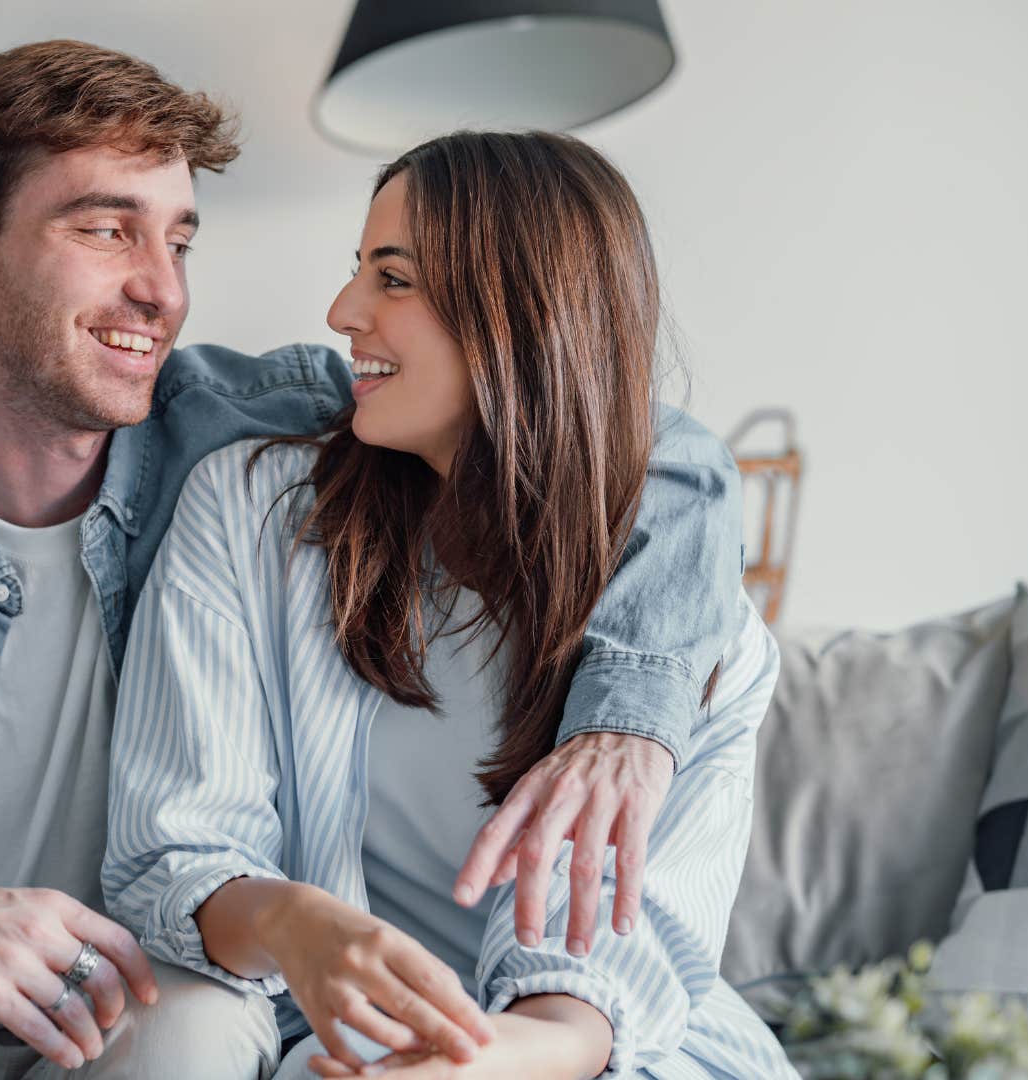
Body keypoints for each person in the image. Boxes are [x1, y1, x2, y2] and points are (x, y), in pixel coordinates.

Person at [0, 40, 748, 1079]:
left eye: (179, 240)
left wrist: (629, 719)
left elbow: (611, 435)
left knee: (205, 1030)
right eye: (106, 229)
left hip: (140, 994)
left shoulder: (247, 429)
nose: (158, 291)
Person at [104, 131, 795, 1079]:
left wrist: (468, 1061)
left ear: (524, 314)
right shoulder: (249, 516)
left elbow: (607, 985)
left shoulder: (689, 632)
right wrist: (293, 922)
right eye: (359, 271)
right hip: (333, 1045)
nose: (343, 311)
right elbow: (172, 856)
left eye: (395, 279)